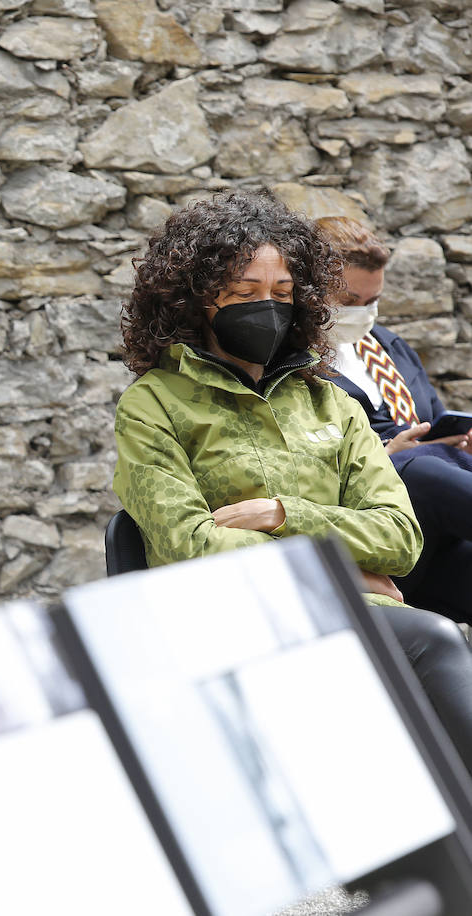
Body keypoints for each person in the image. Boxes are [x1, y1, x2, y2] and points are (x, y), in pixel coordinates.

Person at [114, 189, 472, 772]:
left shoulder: (332, 404)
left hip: (344, 607)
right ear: (198, 300)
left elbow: (401, 538)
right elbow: (189, 545)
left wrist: (282, 513)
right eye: (244, 293)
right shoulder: (152, 405)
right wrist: (335, 571)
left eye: (282, 293)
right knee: (432, 640)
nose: (268, 308)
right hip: (222, 613)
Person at [318, 216, 472, 621]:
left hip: (441, 528)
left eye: (372, 301)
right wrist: (385, 455)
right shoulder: (294, 364)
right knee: (419, 471)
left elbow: (437, 420)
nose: (363, 313)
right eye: (349, 301)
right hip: (375, 523)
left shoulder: (388, 345)